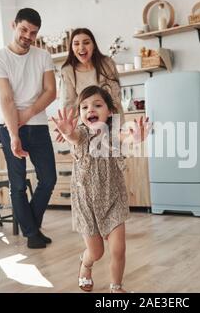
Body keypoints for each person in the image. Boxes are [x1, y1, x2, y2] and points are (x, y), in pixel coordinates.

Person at [51, 85, 151, 293]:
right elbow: (74, 138)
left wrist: (137, 138)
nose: (91, 110)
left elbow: (127, 138)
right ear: (80, 115)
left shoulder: (114, 133)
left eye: (97, 105)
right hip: (86, 202)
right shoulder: (81, 134)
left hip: (113, 197)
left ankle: (116, 287)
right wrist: (68, 133)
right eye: (84, 107)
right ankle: (85, 264)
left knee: (118, 249)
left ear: (110, 112)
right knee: (96, 252)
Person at [0, 8, 57, 249]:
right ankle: (32, 233)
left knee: (48, 179)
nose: (28, 36)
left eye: (33, 32)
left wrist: (27, 114)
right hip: (8, 126)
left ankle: (31, 228)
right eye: (24, 29)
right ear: (13, 25)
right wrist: (14, 133)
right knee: (17, 184)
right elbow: (6, 98)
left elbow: (51, 92)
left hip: (37, 125)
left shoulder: (43, 56)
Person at [60, 28, 124, 130]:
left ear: (93, 46)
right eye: (76, 44)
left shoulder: (107, 63)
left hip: (111, 123)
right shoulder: (67, 71)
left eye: (86, 43)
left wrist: (116, 130)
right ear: (72, 48)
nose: (81, 47)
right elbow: (68, 104)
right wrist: (67, 127)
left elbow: (115, 99)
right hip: (85, 127)